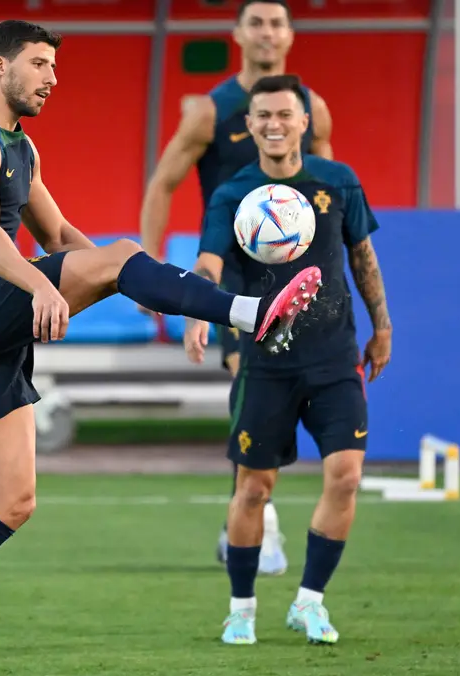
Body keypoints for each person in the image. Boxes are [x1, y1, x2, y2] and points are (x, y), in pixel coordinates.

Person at [0, 21, 325, 676]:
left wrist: (134, 282)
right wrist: (56, 281)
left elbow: (59, 238)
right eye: (38, 64)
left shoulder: (22, 148)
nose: (51, 77)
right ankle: (249, 314)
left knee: (12, 500)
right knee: (115, 256)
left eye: (54, 65)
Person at [187, 75, 391, 646]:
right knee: (253, 489)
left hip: (334, 357)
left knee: (346, 477)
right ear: (248, 126)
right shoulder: (232, 195)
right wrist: (196, 312)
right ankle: (242, 609)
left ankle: (309, 603)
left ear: (305, 122)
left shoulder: (338, 181)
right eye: (263, 116)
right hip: (265, 364)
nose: (274, 124)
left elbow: (362, 256)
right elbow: (208, 265)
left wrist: (383, 325)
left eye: (285, 114)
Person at [139, 0, 335, 573]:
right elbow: (162, 185)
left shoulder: (313, 109)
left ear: (290, 36)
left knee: (293, 397)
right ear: (238, 34)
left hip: (299, 278)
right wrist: (153, 275)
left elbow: (332, 190)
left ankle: (250, 516)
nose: (267, 32)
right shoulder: (210, 111)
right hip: (230, 277)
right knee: (248, 384)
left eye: (277, 22)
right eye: (257, 22)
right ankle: (258, 524)